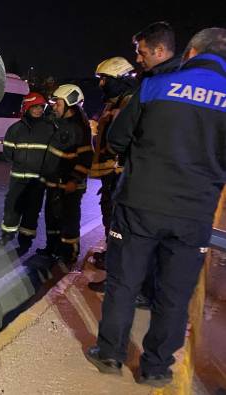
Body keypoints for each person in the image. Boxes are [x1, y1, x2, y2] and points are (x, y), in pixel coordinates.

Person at [85, 27, 226, 387]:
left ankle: (111, 354)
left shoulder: (154, 86)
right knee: (174, 294)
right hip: (194, 213)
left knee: (123, 283)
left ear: (191, 53)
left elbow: (116, 141)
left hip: (140, 205)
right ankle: (156, 367)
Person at [130, 21, 180, 307]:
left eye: (142, 52)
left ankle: (147, 293)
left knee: (143, 253)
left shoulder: (155, 86)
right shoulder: (196, 86)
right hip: (186, 198)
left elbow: (120, 135)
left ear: (160, 51)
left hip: (151, 192)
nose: (139, 58)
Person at [86, 57, 137, 292]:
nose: (101, 85)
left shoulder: (130, 104)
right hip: (111, 173)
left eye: (105, 79)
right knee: (110, 218)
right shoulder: (114, 103)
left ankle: (118, 277)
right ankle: (112, 260)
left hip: (120, 173)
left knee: (119, 225)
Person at [36, 84, 93, 269]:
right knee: (52, 218)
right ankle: (52, 248)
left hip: (69, 185)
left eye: (58, 103)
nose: (54, 106)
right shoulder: (60, 123)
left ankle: (69, 253)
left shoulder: (80, 128)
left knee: (68, 220)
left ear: (70, 104)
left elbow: (86, 157)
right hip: (54, 182)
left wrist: (74, 180)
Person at [0, 92, 56, 256]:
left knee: (32, 211)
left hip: (37, 180)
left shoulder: (50, 128)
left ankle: (25, 242)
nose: (38, 110)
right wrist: (20, 161)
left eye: (40, 107)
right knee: (12, 208)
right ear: (27, 108)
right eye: (34, 107)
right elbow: (7, 152)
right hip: (18, 178)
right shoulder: (15, 129)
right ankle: (6, 235)